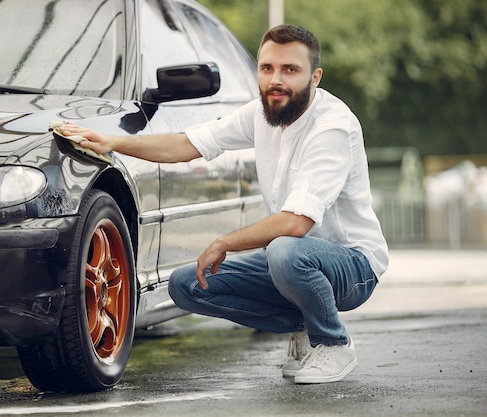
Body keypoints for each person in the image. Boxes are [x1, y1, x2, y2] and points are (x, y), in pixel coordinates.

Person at [57, 24, 389, 384]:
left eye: (290, 70)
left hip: (353, 265)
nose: (276, 80)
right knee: (186, 284)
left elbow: (295, 224)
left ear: (315, 77)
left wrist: (224, 242)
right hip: (293, 258)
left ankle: (333, 342)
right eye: (267, 69)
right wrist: (110, 142)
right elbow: (187, 144)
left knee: (284, 252)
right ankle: (307, 327)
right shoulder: (262, 114)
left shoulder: (332, 128)